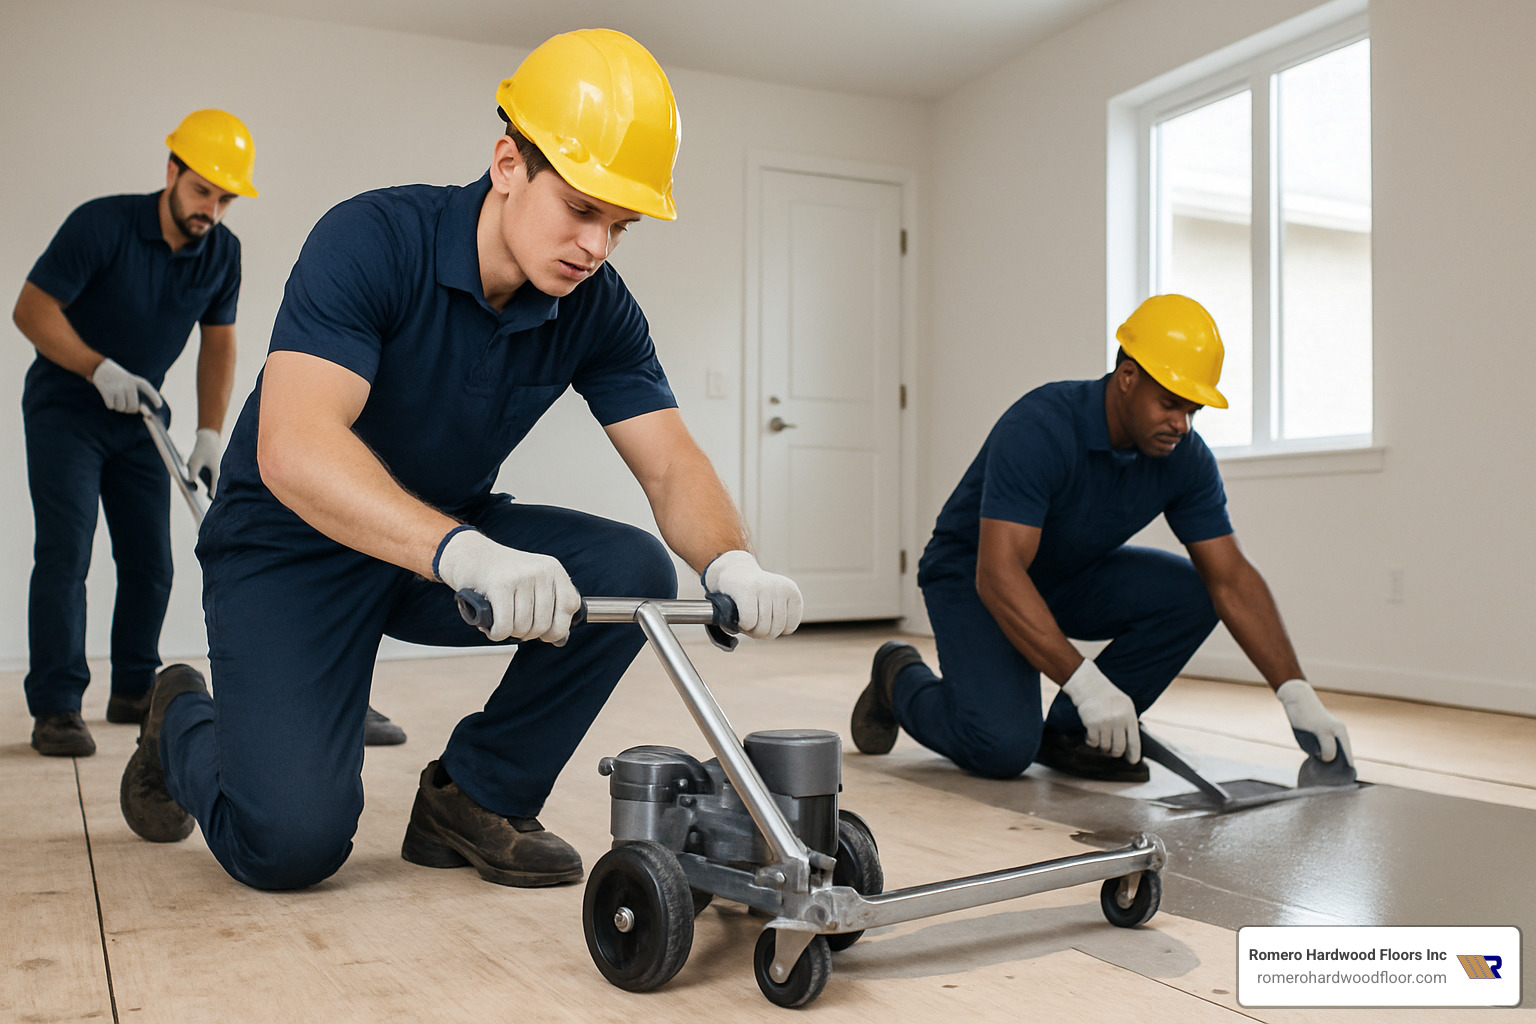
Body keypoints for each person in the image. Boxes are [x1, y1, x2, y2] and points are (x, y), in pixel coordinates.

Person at [119, 29, 803, 892]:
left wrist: (729, 557)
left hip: (434, 542)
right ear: (509, 161)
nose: (596, 248)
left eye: (619, 228)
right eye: (583, 209)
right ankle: (179, 710)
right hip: (286, 549)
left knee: (632, 571)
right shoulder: (372, 239)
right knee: (289, 845)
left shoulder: (595, 306)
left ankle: (474, 796)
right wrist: (463, 553)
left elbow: (668, 462)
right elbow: (294, 447)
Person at [851, 294, 1352, 782]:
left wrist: (1295, 692)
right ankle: (898, 677)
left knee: (1198, 592)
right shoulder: (1041, 426)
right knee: (1002, 748)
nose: (1182, 423)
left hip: (1067, 574)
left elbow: (1233, 580)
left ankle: (1072, 735)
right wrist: (1087, 683)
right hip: (975, 575)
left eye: (1194, 410)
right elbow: (999, 573)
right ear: (1128, 378)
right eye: (1171, 403)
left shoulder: (1185, 459)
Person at [14, 111, 252, 757]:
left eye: (225, 198)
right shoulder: (103, 223)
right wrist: (96, 367)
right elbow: (31, 309)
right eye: (203, 189)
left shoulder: (222, 252)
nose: (212, 208)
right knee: (66, 552)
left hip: (143, 417)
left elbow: (219, 343)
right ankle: (58, 707)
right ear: (172, 172)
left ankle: (132, 691)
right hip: (66, 408)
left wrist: (209, 431)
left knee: (150, 562)